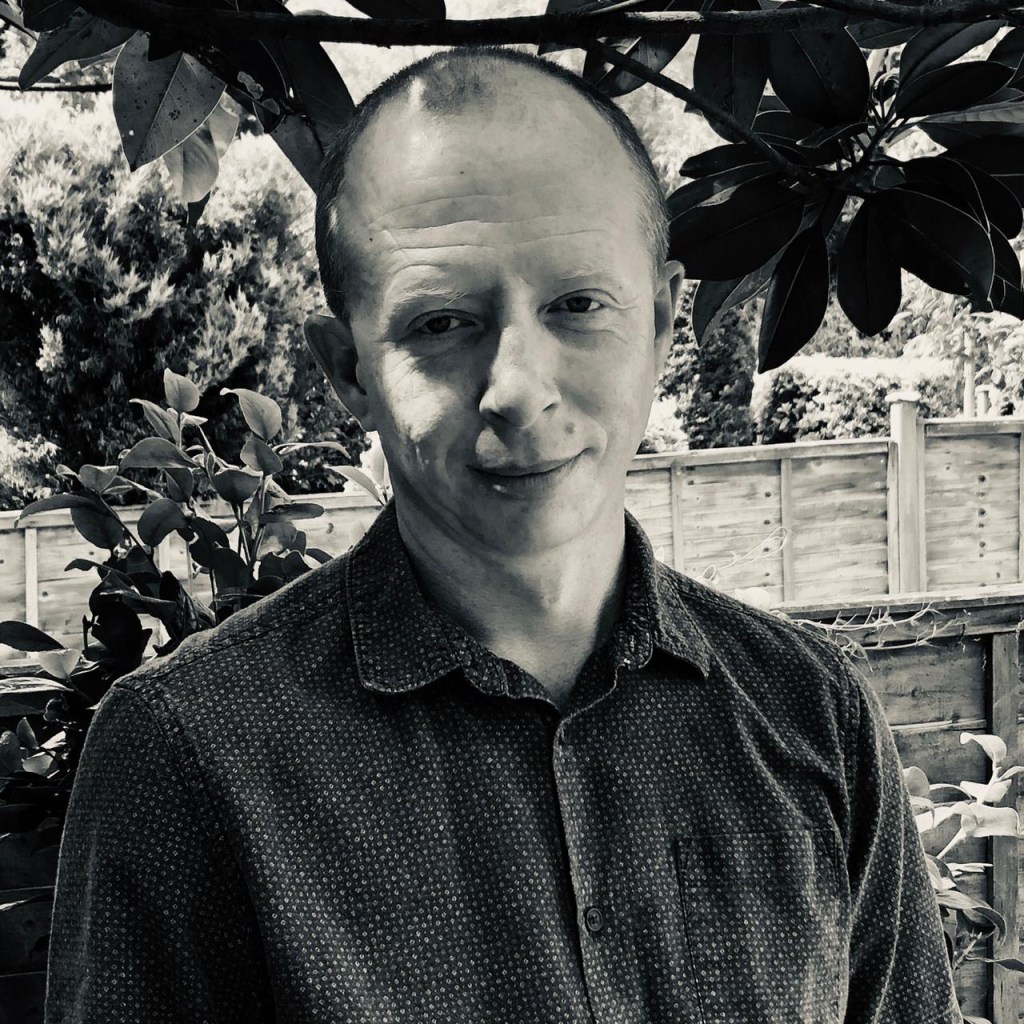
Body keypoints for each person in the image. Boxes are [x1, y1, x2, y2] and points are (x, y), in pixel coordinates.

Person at [45, 46, 963, 1024]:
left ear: (660, 322)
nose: (519, 390)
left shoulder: (812, 711)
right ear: (348, 370)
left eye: (577, 305)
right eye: (442, 323)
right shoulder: (187, 754)